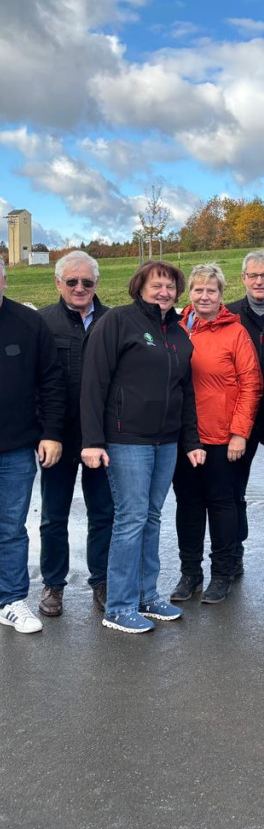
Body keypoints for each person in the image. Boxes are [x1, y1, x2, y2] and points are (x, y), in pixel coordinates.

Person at [81, 261, 206, 634]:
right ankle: (118, 606)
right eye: (157, 285)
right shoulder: (118, 322)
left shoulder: (179, 334)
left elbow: (185, 393)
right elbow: (93, 382)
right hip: (126, 439)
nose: (164, 291)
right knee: (131, 518)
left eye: (170, 286)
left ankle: (146, 595)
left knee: (152, 517)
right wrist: (92, 440)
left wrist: (191, 441)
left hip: (165, 441)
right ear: (140, 287)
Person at [171, 264, 262, 605]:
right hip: (184, 437)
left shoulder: (235, 333)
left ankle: (223, 572)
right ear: (189, 294)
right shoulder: (177, 329)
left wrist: (240, 433)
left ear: (222, 296)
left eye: (211, 290)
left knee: (222, 505)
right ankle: (190, 572)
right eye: (198, 290)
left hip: (223, 437)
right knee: (189, 506)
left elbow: (251, 385)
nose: (204, 296)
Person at [37, 250, 113, 617]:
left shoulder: (114, 321)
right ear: (58, 283)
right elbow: (35, 383)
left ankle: (102, 581)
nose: (80, 288)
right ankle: (53, 585)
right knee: (54, 516)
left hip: (101, 438)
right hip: (57, 438)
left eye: (87, 282)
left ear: (97, 284)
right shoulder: (42, 324)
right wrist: (42, 431)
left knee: (103, 514)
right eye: (72, 282)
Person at [0, 256, 65, 635]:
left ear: (5, 280)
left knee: (10, 526)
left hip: (15, 448)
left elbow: (51, 382)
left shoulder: (28, 323)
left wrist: (52, 432)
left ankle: (10, 600)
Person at [227, 250, 264, 577]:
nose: (259, 281)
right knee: (233, 489)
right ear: (243, 278)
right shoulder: (229, 314)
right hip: (239, 418)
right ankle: (233, 551)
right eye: (253, 275)